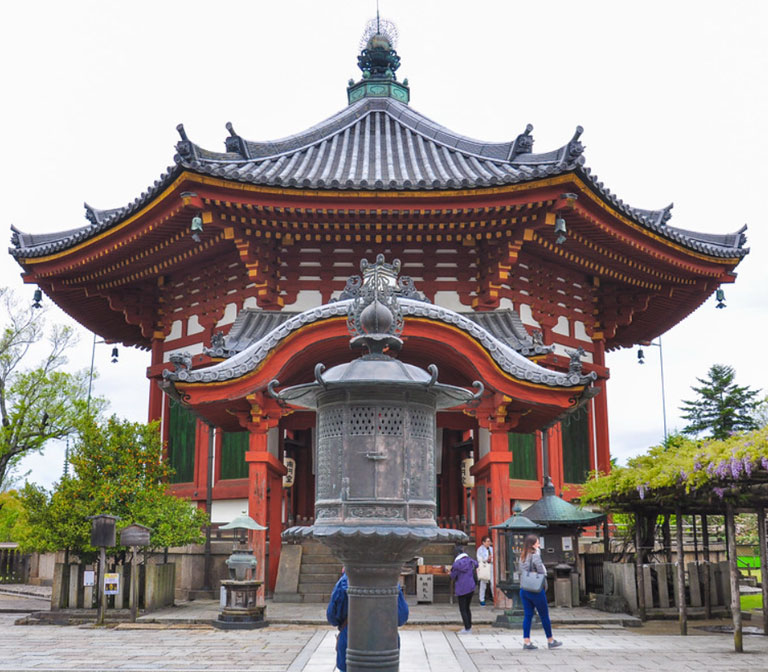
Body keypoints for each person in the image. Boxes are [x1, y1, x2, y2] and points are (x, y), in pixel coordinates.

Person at [326, 568, 409, 672]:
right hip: (384, 645)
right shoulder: (390, 582)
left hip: (351, 641)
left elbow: (332, 617)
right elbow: (402, 617)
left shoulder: (344, 583)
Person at [519, 533, 562, 650]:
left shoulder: (522, 556)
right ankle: (550, 639)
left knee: (528, 615)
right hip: (536, 590)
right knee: (544, 615)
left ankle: (526, 641)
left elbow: (521, 571)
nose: (539, 545)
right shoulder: (535, 556)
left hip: (524, 589)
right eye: (537, 543)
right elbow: (541, 572)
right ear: (533, 544)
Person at [449, 544, 478, 634]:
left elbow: (453, 576)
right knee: (467, 608)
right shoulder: (471, 561)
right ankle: (469, 626)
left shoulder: (457, 564)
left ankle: (467, 628)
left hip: (462, 588)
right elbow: (477, 565)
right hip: (471, 587)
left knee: (463, 609)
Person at [476, 534, 493, 606]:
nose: (489, 543)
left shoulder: (492, 549)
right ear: (483, 542)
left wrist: (491, 559)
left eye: (489, 541)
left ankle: (494, 597)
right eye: (487, 541)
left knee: (493, 583)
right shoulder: (480, 549)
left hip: (492, 566)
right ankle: (482, 599)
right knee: (483, 583)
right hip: (484, 566)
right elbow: (479, 559)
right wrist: (487, 559)